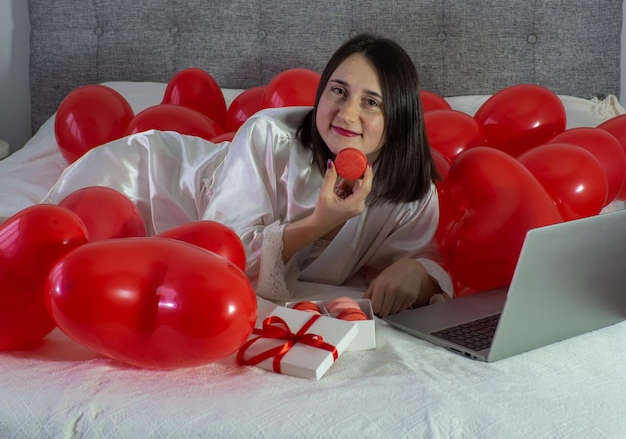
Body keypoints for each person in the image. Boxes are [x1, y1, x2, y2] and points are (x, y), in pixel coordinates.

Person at [43, 33, 452, 316]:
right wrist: (319, 224)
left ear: (398, 119)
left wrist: (418, 274)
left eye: (371, 103)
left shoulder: (410, 192)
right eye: (338, 91)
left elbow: (428, 259)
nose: (346, 114)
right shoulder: (269, 136)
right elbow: (222, 255)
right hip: (147, 182)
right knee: (49, 245)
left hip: (179, 224)